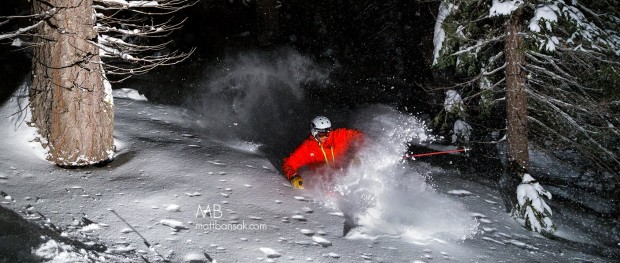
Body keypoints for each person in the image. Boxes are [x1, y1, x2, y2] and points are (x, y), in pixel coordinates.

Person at [282, 116, 364, 189]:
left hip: (348, 177)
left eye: (327, 133)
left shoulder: (338, 136)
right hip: (326, 185)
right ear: (314, 132)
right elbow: (288, 163)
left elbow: (359, 136)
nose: (325, 137)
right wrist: (294, 177)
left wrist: (357, 154)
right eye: (321, 134)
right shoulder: (308, 148)